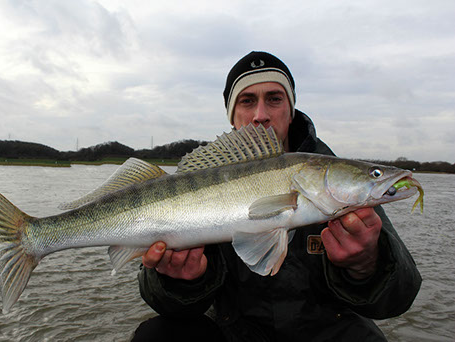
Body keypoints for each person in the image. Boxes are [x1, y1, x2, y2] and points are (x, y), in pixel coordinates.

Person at [131, 51, 422, 341]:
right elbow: (168, 304)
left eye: (274, 98)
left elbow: (399, 298)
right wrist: (181, 283)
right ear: (232, 116)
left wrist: (367, 263)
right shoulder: (203, 180)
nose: (261, 115)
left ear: (291, 109)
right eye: (247, 101)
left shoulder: (344, 192)